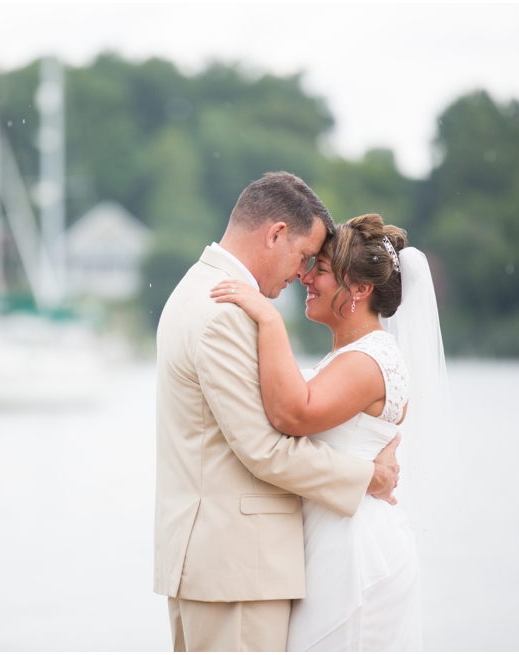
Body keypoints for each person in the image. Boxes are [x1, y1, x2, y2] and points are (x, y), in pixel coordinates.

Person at [153, 172, 401, 652]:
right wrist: (368, 476)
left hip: (215, 561)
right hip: (237, 568)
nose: (302, 273)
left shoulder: (197, 288)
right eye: (304, 256)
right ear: (275, 235)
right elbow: (264, 450)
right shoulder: (225, 312)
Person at [211, 212, 443, 650]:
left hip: (356, 557)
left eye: (319, 269)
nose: (305, 277)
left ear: (359, 289)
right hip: (331, 546)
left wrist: (269, 318)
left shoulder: (371, 358)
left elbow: (292, 415)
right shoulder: (353, 355)